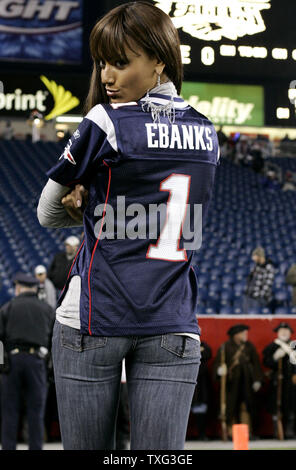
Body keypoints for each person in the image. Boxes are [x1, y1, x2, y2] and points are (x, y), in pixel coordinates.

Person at [37, 1, 219, 450]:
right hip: (173, 320)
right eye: (102, 63)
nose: (106, 76)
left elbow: (47, 214)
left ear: (159, 58)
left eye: (120, 61)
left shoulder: (105, 120)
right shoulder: (207, 130)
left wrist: (81, 208)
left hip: (96, 317)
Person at [0, 273, 55, 450]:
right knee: (36, 412)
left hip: (12, 362)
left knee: (10, 412)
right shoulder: (47, 309)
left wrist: (2, 364)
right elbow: (54, 340)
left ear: (18, 288)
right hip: (37, 362)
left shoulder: (8, 307)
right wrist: (49, 364)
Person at [213, 324, 263, 439]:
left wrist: (257, 380)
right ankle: (231, 433)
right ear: (236, 335)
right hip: (231, 384)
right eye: (243, 333)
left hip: (247, 383)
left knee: (247, 408)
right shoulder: (225, 347)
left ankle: (247, 433)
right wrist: (219, 371)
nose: (245, 335)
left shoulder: (249, 346)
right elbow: (218, 364)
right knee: (231, 408)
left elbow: (256, 364)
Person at [262, 322, 296, 439]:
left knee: (292, 405)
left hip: (292, 382)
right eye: (282, 331)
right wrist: (275, 358)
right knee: (276, 405)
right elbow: (266, 362)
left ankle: (290, 430)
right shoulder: (272, 346)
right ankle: (278, 430)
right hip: (277, 381)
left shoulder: (294, 345)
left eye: (286, 331)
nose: (284, 333)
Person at [243, 247, 276, 313]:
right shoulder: (256, 266)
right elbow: (251, 279)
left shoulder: (269, 267)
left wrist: (259, 295)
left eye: (254, 256)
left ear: (259, 256)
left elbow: (268, 284)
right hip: (250, 296)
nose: (253, 258)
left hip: (259, 298)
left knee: (255, 316)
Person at [190, 341, 212, 440]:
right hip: (187, 382)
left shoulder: (203, 344)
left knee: (201, 412)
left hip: (201, 387)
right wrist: (198, 350)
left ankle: (201, 434)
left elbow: (208, 353)